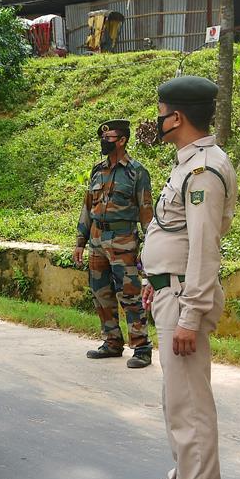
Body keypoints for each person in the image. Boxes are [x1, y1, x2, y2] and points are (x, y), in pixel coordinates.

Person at [136, 76, 238, 479]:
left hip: (184, 299)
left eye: (160, 111)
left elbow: (204, 249)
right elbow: (174, 235)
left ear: (176, 116)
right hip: (170, 292)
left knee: (190, 402)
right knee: (176, 398)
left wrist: (190, 315)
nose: (157, 119)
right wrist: (153, 282)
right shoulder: (188, 165)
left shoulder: (204, 172)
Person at [74, 119, 154, 368]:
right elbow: (88, 207)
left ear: (122, 140)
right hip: (97, 240)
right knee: (100, 293)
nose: (104, 141)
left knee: (130, 295)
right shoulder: (97, 170)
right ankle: (112, 341)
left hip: (124, 241)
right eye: (103, 137)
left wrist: (150, 249)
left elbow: (146, 213)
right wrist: (80, 241)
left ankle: (141, 347)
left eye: (109, 138)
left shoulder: (137, 172)